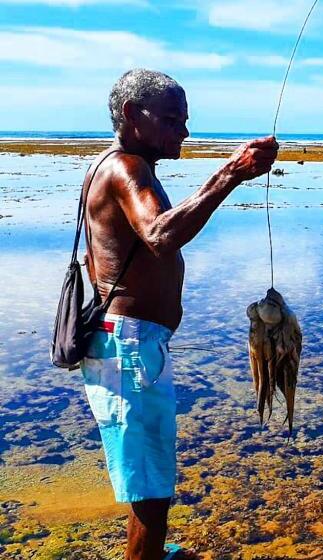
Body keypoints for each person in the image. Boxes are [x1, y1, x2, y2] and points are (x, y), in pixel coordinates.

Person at [79, 68, 278, 560]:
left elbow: (99, 257)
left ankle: (152, 553)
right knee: (150, 492)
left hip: (128, 342)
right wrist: (230, 173)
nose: (183, 132)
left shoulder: (118, 166)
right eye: (172, 120)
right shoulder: (126, 167)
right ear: (131, 116)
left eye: (185, 120)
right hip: (130, 346)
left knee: (148, 476)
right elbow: (161, 236)